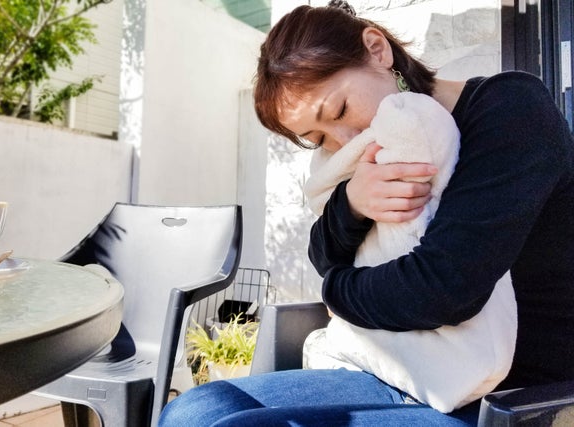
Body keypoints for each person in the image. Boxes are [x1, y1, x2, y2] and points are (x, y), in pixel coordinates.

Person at [158, 2, 574, 426]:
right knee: (191, 411)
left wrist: (335, 293)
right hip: (398, 367)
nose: (344, 140)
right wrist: (351, 204)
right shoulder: (373, 154)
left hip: (510, 393)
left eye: (339, 110)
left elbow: (443, 290)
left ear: (377, 49)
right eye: (317, 137)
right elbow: (322, 250)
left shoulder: (510, 110)